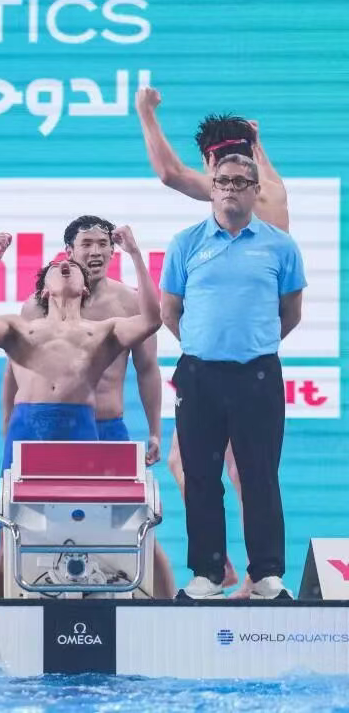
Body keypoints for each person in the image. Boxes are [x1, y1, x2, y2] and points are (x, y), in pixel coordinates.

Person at [136, 87, 292, 595]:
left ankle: (244, 571)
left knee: (235, 472)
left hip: (236, 363)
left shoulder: (226, 187)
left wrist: (145, 113)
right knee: (233, 470)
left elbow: (167, 173)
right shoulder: (271, 186)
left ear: (213, 160)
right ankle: (238, 570)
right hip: (240, 357)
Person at [0, 215, 174, 599]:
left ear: (112, 250)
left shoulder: (128, 302)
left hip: (107, 428)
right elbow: (15, 370)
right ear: (69, 252)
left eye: (102, 244)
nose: (95, 251)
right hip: (52, 431)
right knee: (14, 529)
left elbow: (147, 369)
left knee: (140, 527)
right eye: (86, 244)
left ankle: (172, 611)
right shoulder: (38, 304)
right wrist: (9, 424)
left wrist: (155, 430)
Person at [161, 154, 305, 600]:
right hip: (199, 375)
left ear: (254, 190)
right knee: (200, 475)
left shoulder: (281, 246)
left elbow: (290, 313)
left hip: (257, 375)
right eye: (222, 181)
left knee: (259, 475)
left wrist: (250, 347)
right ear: (212, 187)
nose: (229, 188)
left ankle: (265, 574)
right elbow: (170, 311)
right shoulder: (185, 243)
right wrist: (207, 348)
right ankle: (207, 573)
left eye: (240, 182)